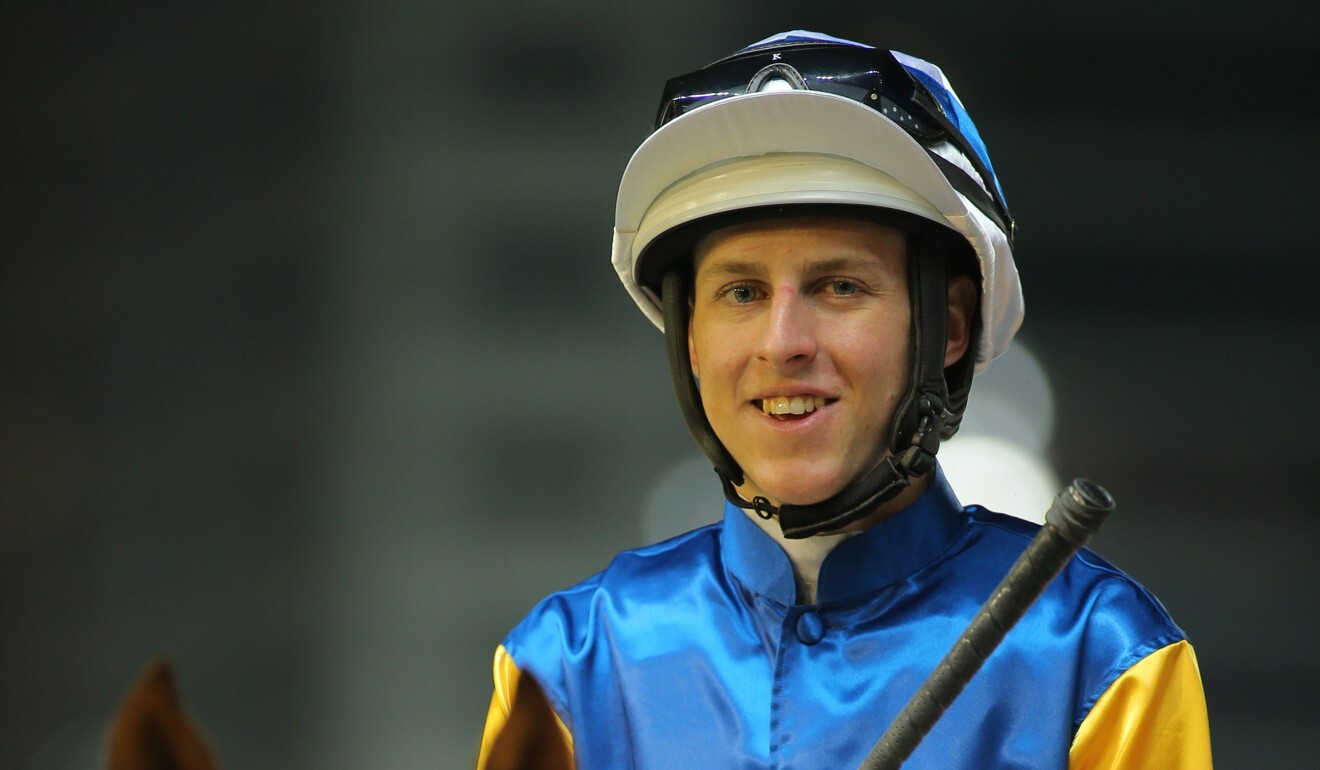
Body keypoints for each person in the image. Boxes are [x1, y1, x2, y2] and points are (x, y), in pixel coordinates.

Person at [476, 30, 1212, 769]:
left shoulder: (1103, 655)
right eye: (742, 292)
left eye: (840, 287)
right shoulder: (564, 666)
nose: (783, 341)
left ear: (948, 328)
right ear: (691, 341)